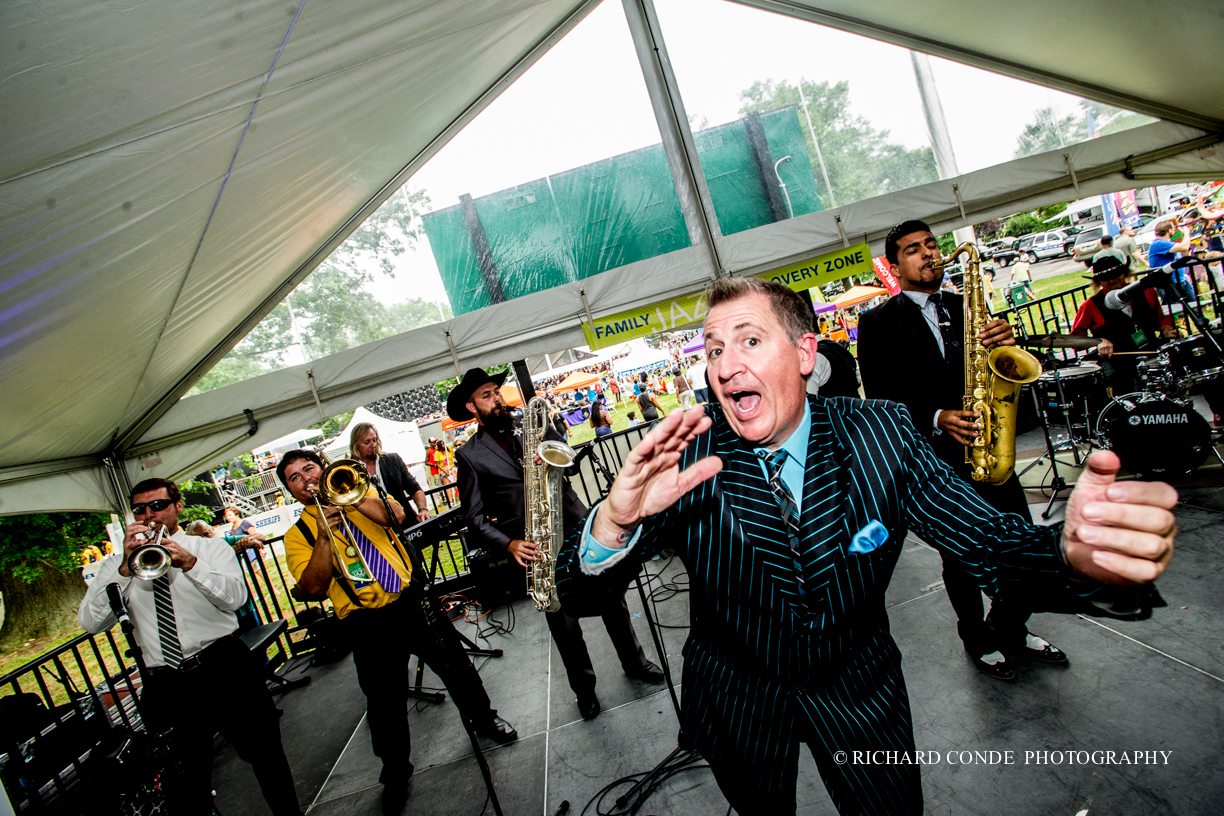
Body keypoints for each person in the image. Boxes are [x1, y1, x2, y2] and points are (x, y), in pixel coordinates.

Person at [556, 275, 1176, 816]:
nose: (724, 365)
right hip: (738, 702)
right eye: (714, 349)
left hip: (858, 693)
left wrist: (1072, 559)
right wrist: (613, 521)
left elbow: (987, 540)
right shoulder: (687, 457)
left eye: (748, 340)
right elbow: (581, 595)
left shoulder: (880, 432)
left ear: (804, 353)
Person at [857, 220, 1068, 682]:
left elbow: (990, 366)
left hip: (992, 445)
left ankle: (1012, 626)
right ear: (894, 266)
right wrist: (937, 416)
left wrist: (1005, 343)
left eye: (931, 245)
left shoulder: (964, 305)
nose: (928, 254)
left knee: (1019, 543)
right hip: (938, 460)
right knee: (961, 556)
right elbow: (879, 399)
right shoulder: (876, 323)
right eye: (914, 250)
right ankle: (977, 636)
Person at [278, 450, 517, 815]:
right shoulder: (298, 535)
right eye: (295, 477)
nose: (305, 479)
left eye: (309, 468)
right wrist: (326, 535)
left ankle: (484, 718)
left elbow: (398, 515)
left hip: (409, 603)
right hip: (366, 623)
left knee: (456, 666)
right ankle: (395, 773)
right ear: (291, 491)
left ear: (323, 469)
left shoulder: (359, 493)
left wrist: (348, 502)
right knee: (384, 703)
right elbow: (312, 587)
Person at [78, 479, 303, 816]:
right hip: (167, 681)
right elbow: (91, 623)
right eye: (140, 508)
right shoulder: (117, 566)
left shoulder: (209, 549)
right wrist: (124, 569)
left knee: (266, 756)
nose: (149, 514)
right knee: (184, 779)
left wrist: (190, 564)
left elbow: (235, 600)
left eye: (158, 505)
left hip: (224, 666)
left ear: (178, 506)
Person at [449, 369, 663, 720]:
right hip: (536, 544)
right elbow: (472, 517)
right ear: (472, 407)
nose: (497, 399)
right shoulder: (470, 456)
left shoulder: (530, 422)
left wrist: (552, 453)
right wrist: (510, 544)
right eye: (487, 396)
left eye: (497, 392)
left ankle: (636, 663)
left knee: (611, 598)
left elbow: (569, 455)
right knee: (563, 623)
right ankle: (585, 692)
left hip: (577, 523)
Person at [1070, 255, 1183, 393]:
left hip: (1150, 348)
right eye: (1106, 278)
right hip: (1116, 358)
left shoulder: (1146, 291)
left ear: (1124, 273)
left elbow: (1160, 319)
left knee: (1180, 361)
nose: (1112, 280)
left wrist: (1166, 328)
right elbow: (1075, 339)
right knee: (1116, 377)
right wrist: (1098, 341)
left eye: (1115, 275)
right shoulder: (1090, 306)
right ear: (1098, 282)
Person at [350, 422, 433, 524]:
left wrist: (423, 509)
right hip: (378, 532)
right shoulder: (350, 473)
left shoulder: (393, 460)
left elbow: (415, 489)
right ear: (355, 446)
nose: (373, 445)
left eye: (374, 440)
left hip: (407, 523)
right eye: (367, 442)